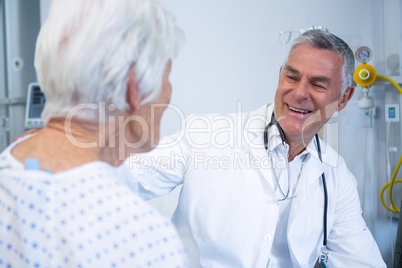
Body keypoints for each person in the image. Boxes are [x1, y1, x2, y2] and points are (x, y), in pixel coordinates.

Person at [125, 29, 386, 267]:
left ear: (344, 98)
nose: (299, 93)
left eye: (317, 84)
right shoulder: (207, 135)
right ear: (280, 75)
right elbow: (123, 176)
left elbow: (361, 260)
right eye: (291, 77)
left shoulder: (337, 178)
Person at [0, 0, 187, 267]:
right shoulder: (144, 241)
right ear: (133, 86)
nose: (168, 92)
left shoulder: (9, 167)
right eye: (166, 77)